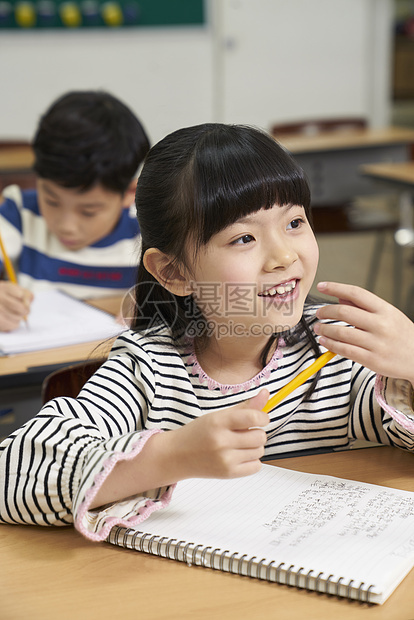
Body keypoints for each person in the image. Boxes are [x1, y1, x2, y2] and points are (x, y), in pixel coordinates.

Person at [1, 123, 413, 542]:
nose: (285, 256)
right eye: (244, 237)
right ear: (174, 272)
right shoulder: (148, 368)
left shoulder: (341, 350)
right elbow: (13, 473)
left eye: (294, 223)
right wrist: (169, 457)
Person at [0, 90, 150, 331]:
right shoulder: (18, 214)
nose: (66, 225)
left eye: (88, 211)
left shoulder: (149, 232)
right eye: (51, 201)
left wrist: (165, 304)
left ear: (130, 193)